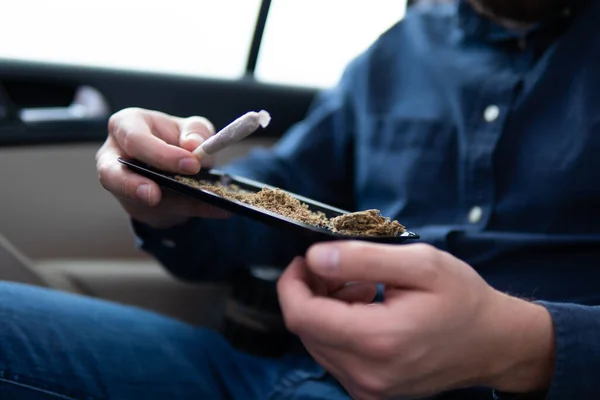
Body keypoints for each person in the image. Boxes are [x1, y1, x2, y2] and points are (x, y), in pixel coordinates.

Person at [1, 0, 599, 398]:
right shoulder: (399, 51)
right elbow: (286, 193)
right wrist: (171, 191)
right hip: (273, 371)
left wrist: (524, 345)